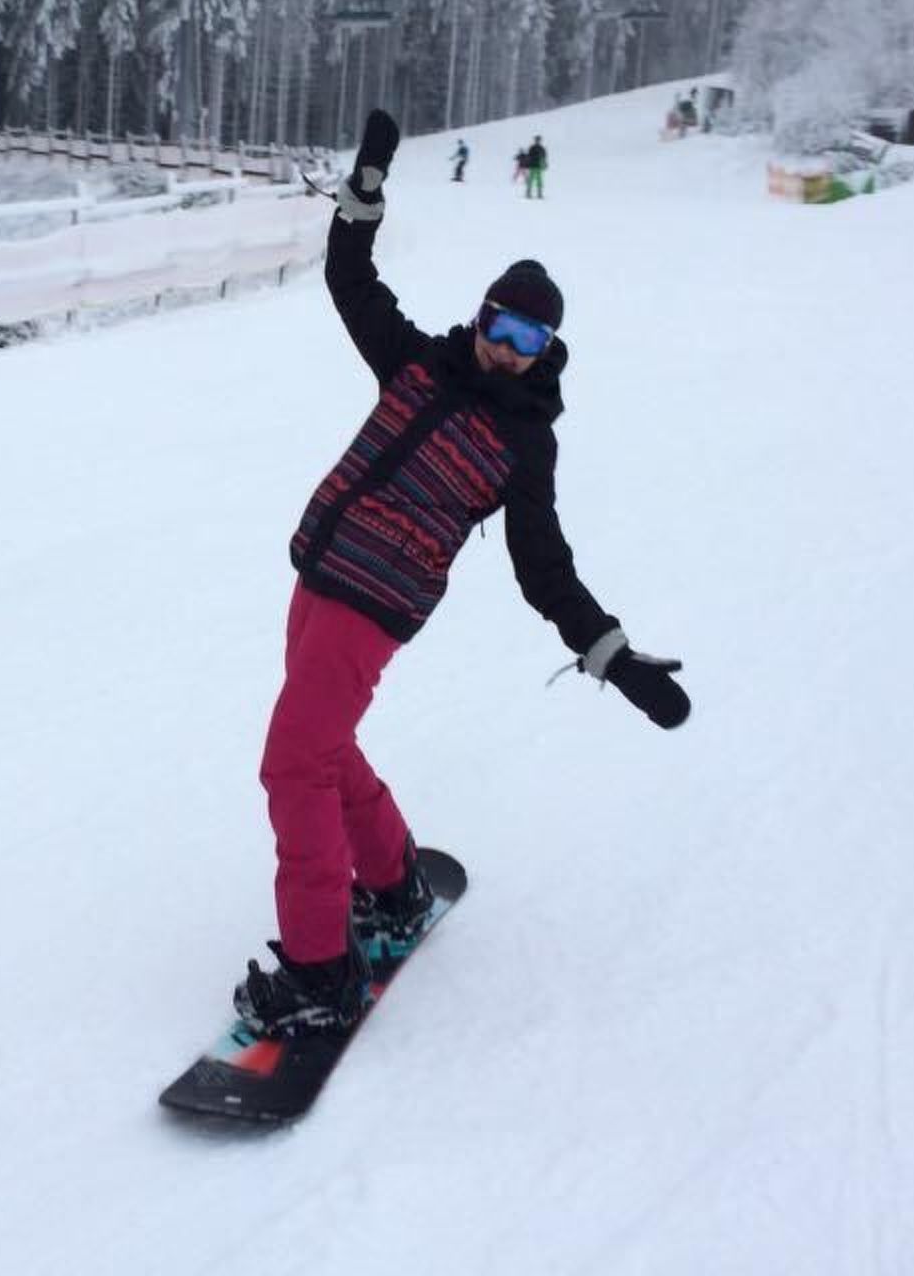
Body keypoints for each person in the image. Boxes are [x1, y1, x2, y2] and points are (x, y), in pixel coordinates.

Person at [233, 109, 691, 1038]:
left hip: (376, 605)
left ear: (547, 351)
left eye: (529, 340)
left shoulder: (525, 444)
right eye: (500, 326)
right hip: (318, 574)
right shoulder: (418, 365)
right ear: (481, 316)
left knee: (293, 763)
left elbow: (545, 568)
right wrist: (366, 186)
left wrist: (614, 656)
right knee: (325, 751)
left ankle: (321, 971)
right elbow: (349, 278)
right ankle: (394, 884)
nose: (507, 350)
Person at [523, 134, 548, 199]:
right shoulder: (532, 148)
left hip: (539, 166)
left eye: (538, 140)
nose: (538, 141)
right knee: (531, 180)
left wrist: (544, 164)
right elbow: (528, 157)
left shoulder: (542, 148)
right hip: (532, 166)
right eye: (537, 140)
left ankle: (539, 193)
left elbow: (544, 157)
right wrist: (526, 164)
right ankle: (528, 193)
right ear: (535, 140)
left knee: (539, 180)